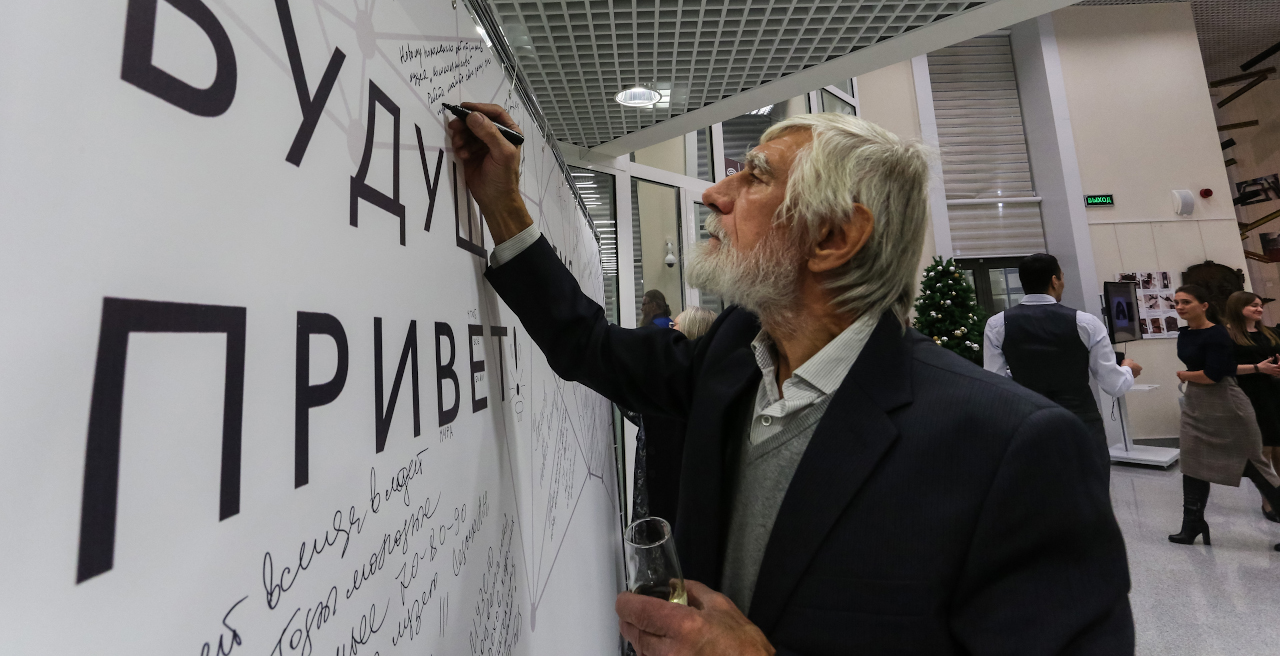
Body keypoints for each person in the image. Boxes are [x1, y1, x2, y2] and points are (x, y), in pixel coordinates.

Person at [450, 104, 1133, 655]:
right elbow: (590, 347)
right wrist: (505, 205)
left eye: (754, 177)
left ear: (833, 237)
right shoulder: (731, 355)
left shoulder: (1010, 448)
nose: (714, 195)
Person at [983, 253, 1142, 458]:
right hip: (1080, 424)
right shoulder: (1086, 323)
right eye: (1063, 277)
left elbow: (996, 384)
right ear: (1054, 280)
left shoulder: (997, 324)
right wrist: (1128, 368)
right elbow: (1113, 384)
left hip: (1028, 425)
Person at [1168, 285, 1280, 549]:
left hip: (1226, 403)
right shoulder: (1185, 333)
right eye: (1177, 303)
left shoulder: (1219, 333)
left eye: (1186, 302)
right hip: (1197, 404)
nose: (1180, 307)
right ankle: (1192, 524)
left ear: (1204, 305)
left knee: (1254, 464)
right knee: (1192, 462)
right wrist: (1190, 377)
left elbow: (1213, 375)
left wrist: (1185, 375)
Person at [632, 307, 717, 526]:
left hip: (673, 519)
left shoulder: (687, 396)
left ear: (689, 333)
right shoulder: (705, 388)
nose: (669, 331)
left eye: (674, 326)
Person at [1221, 291, 1280, 522]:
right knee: (1263, 449)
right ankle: (1268, 500)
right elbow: (1224, 367)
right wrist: (1258, 368)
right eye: (1253, 305)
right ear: (1238, 308)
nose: (1259, 309)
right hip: (1251, 395)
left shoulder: (1270, 333)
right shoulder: (1228, 335)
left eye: (1260, 305)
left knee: (1279, 448)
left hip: (1275, 393)